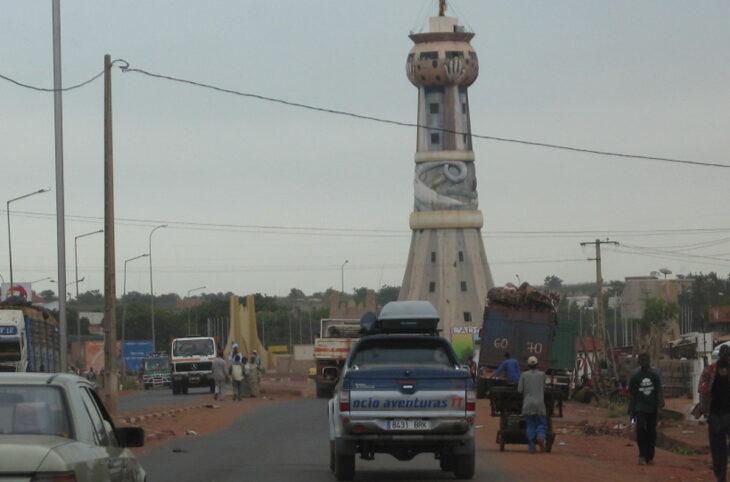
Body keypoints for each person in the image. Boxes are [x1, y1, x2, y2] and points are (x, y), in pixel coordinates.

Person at [696, 344, 730, 480]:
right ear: (720, 356)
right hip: (715, 415)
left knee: (722, 449)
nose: (727, 358)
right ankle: (720, 476)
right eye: (725, 356)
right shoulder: (710, 370)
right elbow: (702, 391)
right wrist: (705, 411)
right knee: (717, 449)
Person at [628, 353, 663, 466]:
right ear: (639, 362)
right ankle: (642, 455)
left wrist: (660, 405)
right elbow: (632, 394)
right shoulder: (635, 377)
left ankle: (650, 457)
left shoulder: (654, 376)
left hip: (652, 408)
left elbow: (659, 391)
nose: (644, 362)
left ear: (649, 361)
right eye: (642, 360)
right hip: (640, 408)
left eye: (646, 360)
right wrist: (632, 411)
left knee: (651, 433)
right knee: (641, 429)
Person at [518, 356, 547, 453]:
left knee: (530, 425)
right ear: (537, 365)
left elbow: (519, 390)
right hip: (539, 404)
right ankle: (540, 436)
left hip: (527, 404)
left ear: (528, 365)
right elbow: (544, 387)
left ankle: (531, 447)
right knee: (541, 423)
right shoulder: (542, 374)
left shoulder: (523, 375)